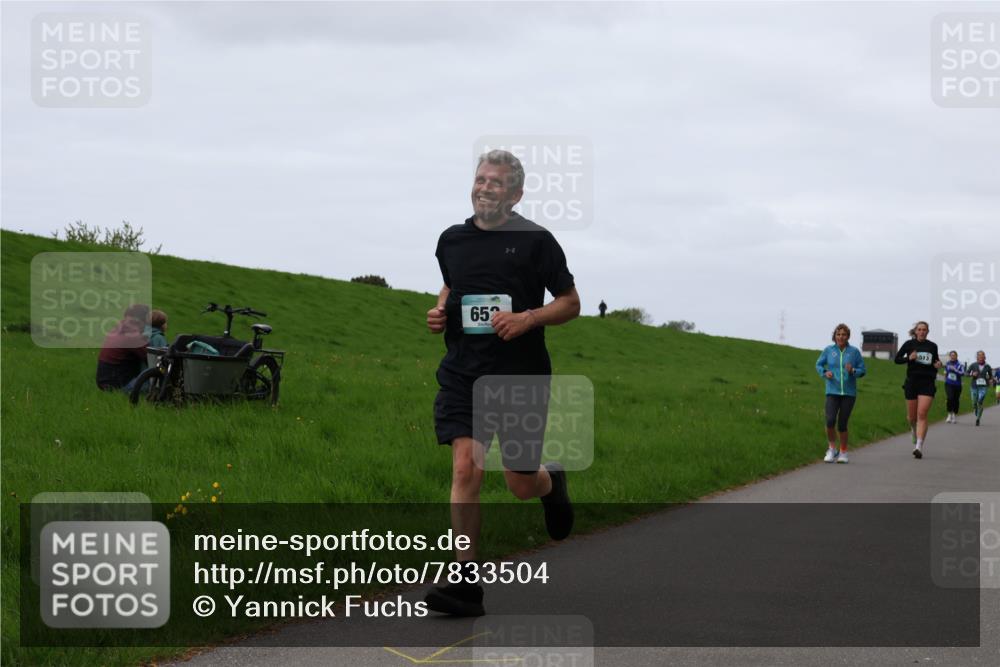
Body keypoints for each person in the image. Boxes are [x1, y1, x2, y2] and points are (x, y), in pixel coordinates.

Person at [425, 149, 580, 616]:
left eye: (496, 182)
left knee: (519, 483)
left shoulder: (537, 241)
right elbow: (452, 285)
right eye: (480, 179)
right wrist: (440, 310)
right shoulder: (451, 240)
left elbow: (570, 302)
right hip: (464, 372)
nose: (484, 188)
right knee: (465, 469)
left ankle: (550, 482)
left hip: (520, 377)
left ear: (515, 194)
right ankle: (465, 583)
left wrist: (528, 318)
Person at [815, 324, 866, 464]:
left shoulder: (854, 352)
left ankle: (843, 452)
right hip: (832, 391)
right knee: (830, 421)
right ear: (835, 336)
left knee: (842, 424)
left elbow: (863, 370)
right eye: (838, 334)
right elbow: (818, 364)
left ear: (848, 336)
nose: (841, 337)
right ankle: (832, 449)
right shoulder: (828, 350)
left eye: (843, 334)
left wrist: (853, 371)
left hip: (849, 393)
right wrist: (825, 372)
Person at [894, 321, 942, 459]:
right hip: (912, 382)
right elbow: (897, 359)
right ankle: (913, 430)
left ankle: (919, 446)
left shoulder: (932, 346)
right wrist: (909, 358)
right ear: (915, 331)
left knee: (922, 414)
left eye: (924, 329)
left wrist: (938, 364)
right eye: (919, 329)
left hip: (927, 382)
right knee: (911, 417)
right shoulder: (909, 344)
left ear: (927, 332)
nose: (922, 332)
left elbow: (935, 362)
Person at [95, 304, 150, 391]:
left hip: (104, 383)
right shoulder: (132, 334)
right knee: (155, 377)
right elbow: (149, 356)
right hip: (119, 385)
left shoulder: (119, 327)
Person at [966, 351, 994, 427]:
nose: (981, 357)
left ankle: (978, 419)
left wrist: (991, 379)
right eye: (979, 356)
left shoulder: (987, 366)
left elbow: (991, 376)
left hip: (983, 387)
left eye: (982, 356)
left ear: (985, 357)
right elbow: (966, 373)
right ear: (977, 357)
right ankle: (976, 410)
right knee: (974, 403)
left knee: (980, 401)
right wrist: (972, 374)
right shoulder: (973, 365)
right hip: (974, 386)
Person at [942, 350, 965, 424]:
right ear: (950, 356)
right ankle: (949, 414)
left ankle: (954, 415)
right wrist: (945, 377)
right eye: (951, 355)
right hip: (949, 384)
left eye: (954, 355)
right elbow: (945, 371)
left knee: (956, 400)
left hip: (957, 385)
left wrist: (955, 370)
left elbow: (962, 373)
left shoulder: (960, 364)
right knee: (950, 398)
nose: (952, 357)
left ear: (956, 356)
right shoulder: (947, 363)